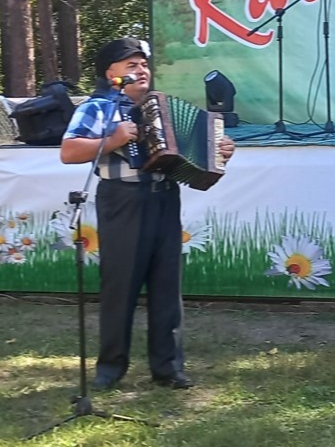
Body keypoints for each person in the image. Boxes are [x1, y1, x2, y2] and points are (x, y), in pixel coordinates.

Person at [60, 37, 236, 390]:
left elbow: (190, 155)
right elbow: (69, 151)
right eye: (132, 65)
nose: (142, 70)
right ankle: (110, 369)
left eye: (143, 64)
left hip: (165, 198)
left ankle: (168, 368)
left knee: (166, 285)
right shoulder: (98, 107)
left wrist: (219, 152)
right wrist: (113, 139)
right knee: (120, 285)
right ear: (110, 73)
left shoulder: (159, 107)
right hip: (123, 200)